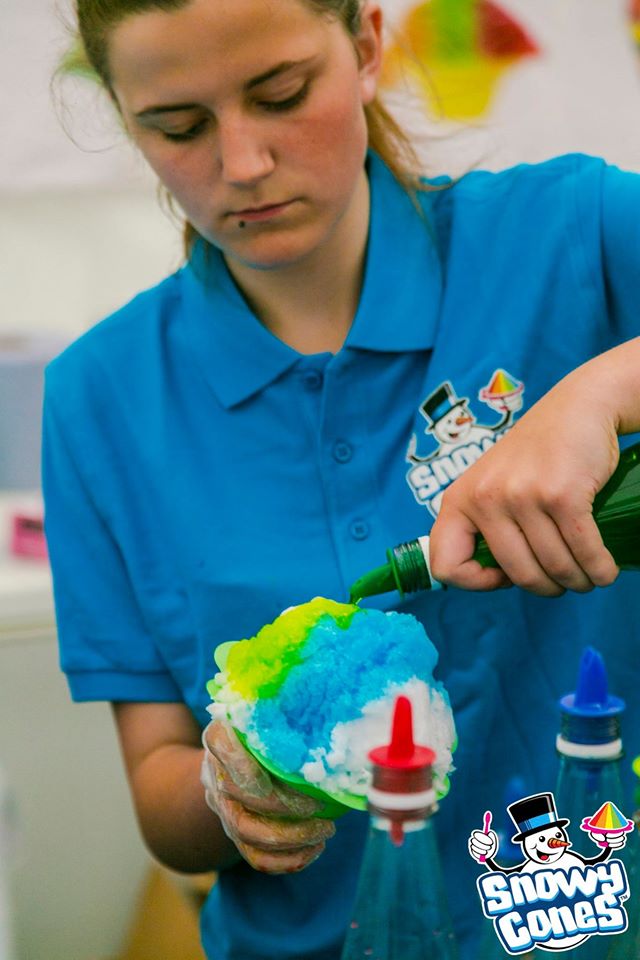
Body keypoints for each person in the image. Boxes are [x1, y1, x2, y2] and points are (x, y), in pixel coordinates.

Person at [42, 0, 640, 957]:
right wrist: (229, 787)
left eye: (281, 95)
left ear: (364, 44)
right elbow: (158, 779)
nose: (242, 163)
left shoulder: (570, 236)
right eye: (178, 126)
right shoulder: (98, 397)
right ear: (122, 115)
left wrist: (602, 393)